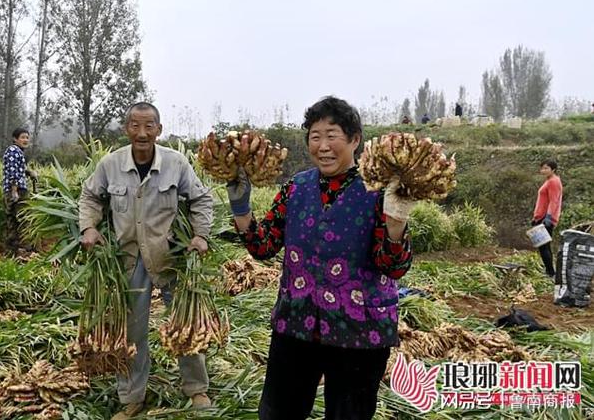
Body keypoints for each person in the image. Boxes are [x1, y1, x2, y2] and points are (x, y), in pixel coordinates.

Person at [226, 96, 414, 420]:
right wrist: (241, 210)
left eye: (332, 135)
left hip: (358, 329)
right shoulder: (296, 188)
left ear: (354, 140)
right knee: (277, 413)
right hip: (296, 324)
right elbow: (264, 246)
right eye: (315, 136)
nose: (323, 145)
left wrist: (396, 223)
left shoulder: (381, 193)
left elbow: (393, 267)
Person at [78, 102, 215, 419]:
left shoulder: (176, 163)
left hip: (171, 255)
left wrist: (201, 235)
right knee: (132, 329)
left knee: (185, 323)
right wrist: (88, 227)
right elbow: (89, 196)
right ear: (126, 128)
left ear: (159, 129)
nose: (142, 133)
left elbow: (200, 198)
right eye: (135, 126)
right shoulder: (110, 165)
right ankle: (132, 395)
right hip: (129, 258)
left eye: (149, 126)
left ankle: (196, 388)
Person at [2, 127, 38, 254]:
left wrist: (29, 172)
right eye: (22, 137)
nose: (26, 140)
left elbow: (19, 168)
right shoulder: (13, 151)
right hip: (17, 190)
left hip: (13, 189)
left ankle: (11, 251)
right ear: (15, 139)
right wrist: (14, 191)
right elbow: (13, 172)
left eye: (27, 137)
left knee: (12, 220)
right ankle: (25, 249)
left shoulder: (17, 151)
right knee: (24, 219)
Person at [531, 159, 563, 278]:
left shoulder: (553, 182)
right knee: (544, 245)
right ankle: (550, 271)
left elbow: (554, 201)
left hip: (546, 218)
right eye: (542, 168)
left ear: (553, 169)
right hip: (541, 217)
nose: (543, 170)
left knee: (543, 246)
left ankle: (550, 273)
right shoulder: (549, 180)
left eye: (546, 168)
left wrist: (548, 218)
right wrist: (536, 217)